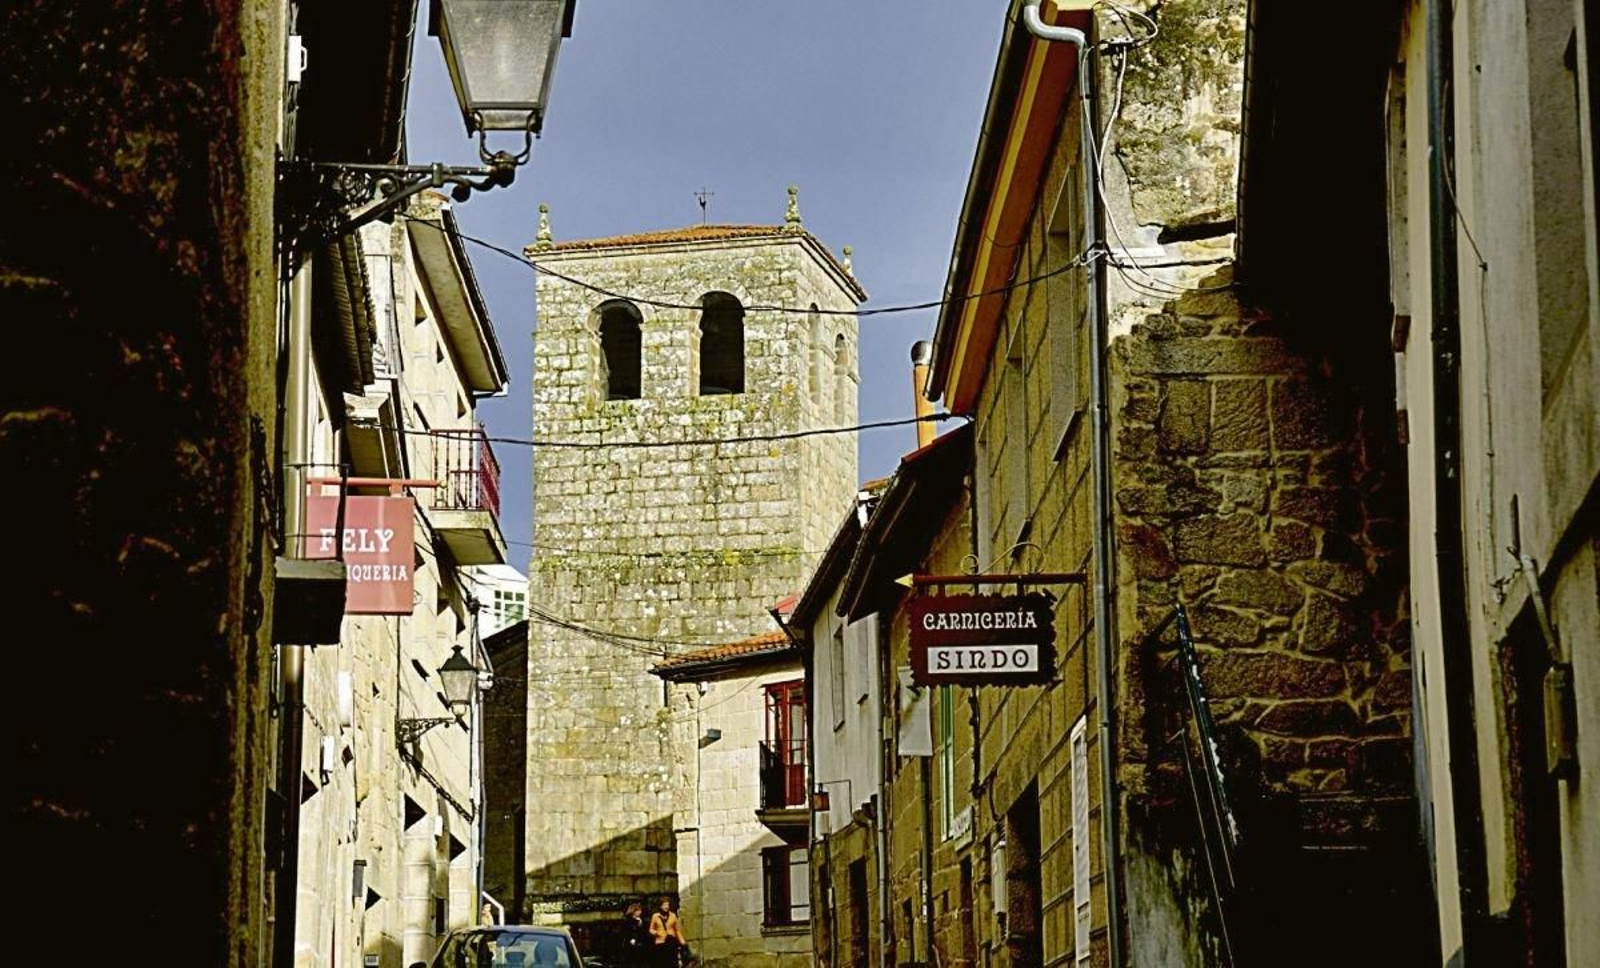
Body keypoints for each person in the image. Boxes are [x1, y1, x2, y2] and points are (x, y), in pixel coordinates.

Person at [647, 896, 686, 967]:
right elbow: (651, 929)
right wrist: (657, 933)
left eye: (668, 905)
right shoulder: (655, 916)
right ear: (660, 906)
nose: (667, 907)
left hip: (671, 942)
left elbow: (677, 930)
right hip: (660, 942)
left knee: (672, 963)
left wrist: (682, 941)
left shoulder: (673, 915)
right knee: (662, 963)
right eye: (665, 905)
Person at [619, 902, 650, 966]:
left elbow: (644, 932)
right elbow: (624, 932)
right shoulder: (627, 920)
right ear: (634, 911)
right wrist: (630, 939)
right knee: (630, 961)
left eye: (640, 910)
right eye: (638, 910)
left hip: (640, 943)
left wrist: (640, 924)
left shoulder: (642, 920)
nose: (640, 912)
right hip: (629, 944)